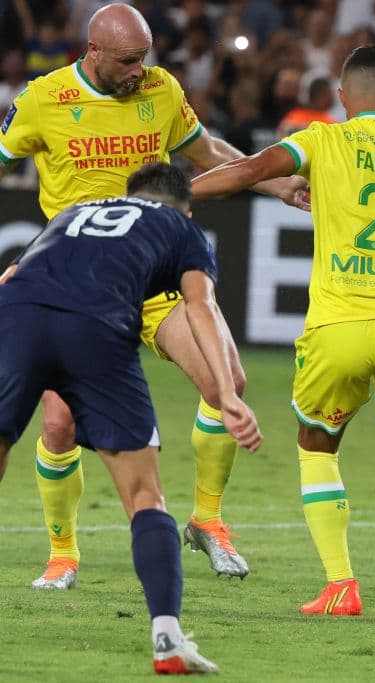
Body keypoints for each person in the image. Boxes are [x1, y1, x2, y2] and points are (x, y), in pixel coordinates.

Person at [0, 3, 307, 589]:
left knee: (228, 384)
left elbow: (208, 154)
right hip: (77, 281)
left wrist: (273, 183)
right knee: (60, 426)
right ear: (93, 52)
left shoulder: (161, 90)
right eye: (127, 61)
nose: (140, 70)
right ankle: (63, 554)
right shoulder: (44, 99)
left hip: (154, 274)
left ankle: (208, 522)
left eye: (145, 59)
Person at [190, 44, 375, 616]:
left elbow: (250, 170)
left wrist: (177, 193)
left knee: (317, 446)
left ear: (343, 97)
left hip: (336, 326)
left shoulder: (322, 139)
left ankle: (341, 585)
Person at [0, 162, 262, 674]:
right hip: (96, 329)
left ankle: (65, 557)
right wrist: (227, 393)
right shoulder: (182, 228)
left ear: (131, 193)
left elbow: (12, 274)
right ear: (185, 206)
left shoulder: (77, 211)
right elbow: (201, 306)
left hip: (19, 314)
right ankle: (167, 637)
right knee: (145, 496)